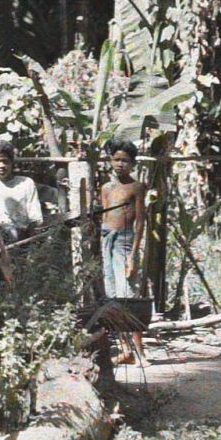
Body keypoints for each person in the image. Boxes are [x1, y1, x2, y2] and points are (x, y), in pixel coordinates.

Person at [99, 139, 149, 365]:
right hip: (107, 239)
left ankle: (140, 352)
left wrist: (133, 255)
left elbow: (140, 222)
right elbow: (104, 217)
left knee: (128, 295)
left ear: (133, 164)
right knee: (112, 297)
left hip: (125, 241)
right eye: (116, 159)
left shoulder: (137, 187)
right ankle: (126, 350)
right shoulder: (106, 188)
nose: (120, 164)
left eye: (125, 161)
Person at [0, 140, 44, 275]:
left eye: (5, 161)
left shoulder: (26, 183)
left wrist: (31, 240)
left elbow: (35, 216)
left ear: (12, 162)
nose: (1, 166)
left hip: (21, 238)